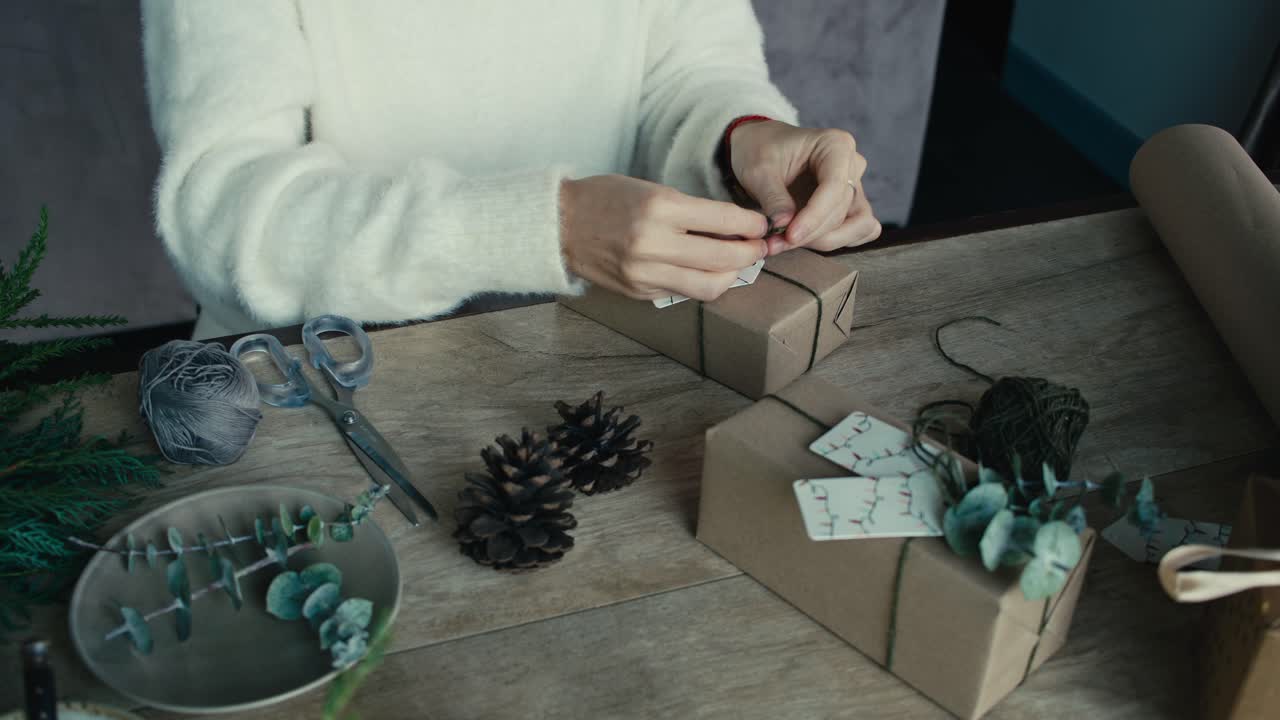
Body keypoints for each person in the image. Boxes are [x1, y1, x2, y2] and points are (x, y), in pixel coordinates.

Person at [142, 1, 882, 340]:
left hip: (590, 348)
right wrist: (544, 228)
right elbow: (225, 216)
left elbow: (693, 64)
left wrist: (741, 138)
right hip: (313, 378)